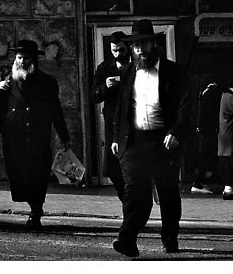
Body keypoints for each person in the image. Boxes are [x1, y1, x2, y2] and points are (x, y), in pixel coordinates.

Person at [110, 19, 190, 257]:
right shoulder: (127, 72)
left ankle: (169, 238)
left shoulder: (172, 72)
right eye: (135, 46)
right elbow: (121, 108)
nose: (139, 50)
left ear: (153, 43)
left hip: (162, 142)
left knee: (167, 194)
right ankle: (127, 239)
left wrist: (175, 132)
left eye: (143, 44)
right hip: (134, 142)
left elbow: (185, 105)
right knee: (135, 193)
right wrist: (116, 137)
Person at [0, 39, 71, 231]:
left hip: (37, 137)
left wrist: (64, 137)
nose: (21, 62)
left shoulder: (47, 83)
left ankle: (36, 211)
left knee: (37, 175)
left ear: (34, 60)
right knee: (19, 176)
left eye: (25, 58)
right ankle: (32, 206)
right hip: (14, 137)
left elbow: (56, 111)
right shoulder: (9, 80)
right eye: (18, 58)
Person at [91, 31, 130, 198]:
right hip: (113, 122)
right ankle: (125, 197)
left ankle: (133, 200)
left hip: (131, 120)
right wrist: (105, 87)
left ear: (127, 47)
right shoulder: (105, 67)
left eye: (121, 50)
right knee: (113, 168)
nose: (117, 54)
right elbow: (93, 96)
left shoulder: (136, 65)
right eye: (114, 51)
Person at [191, 74, 222, 194]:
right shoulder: (212, 92)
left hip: (203, 128)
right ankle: (199, 181)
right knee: (206, 154)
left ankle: (202, 179)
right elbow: (212, 112)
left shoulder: (203, 92)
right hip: (209, 129)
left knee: (203, 154)